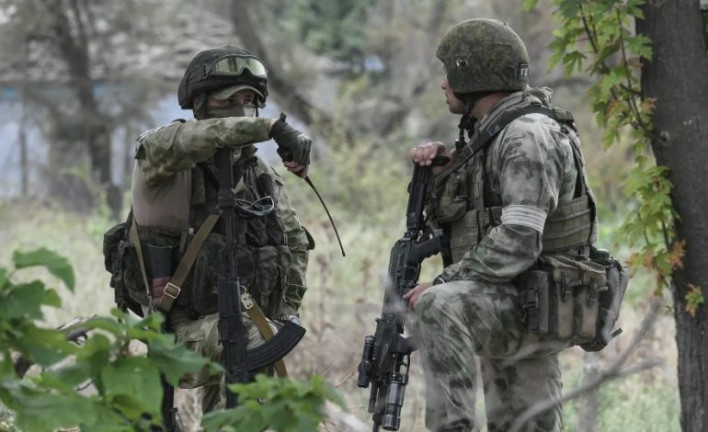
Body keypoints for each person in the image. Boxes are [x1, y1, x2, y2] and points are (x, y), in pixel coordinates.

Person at [404, 19, 601, 432]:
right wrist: (443, 173)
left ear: (471, 74)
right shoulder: (498, 132)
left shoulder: (525, 135)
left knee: (438, 306)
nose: (443, 84)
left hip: (532, 298)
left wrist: (444, 282)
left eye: (449, 72)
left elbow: (520, 239)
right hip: (519, 293)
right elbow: (470, 221)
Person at [125, 45, 313, 413]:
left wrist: (284, 315)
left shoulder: (260, 175)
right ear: (199, 105)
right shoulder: (162, 153)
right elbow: (198, 137)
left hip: (238, 327)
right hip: (177, 336)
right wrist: (270, 128)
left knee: (247, 358)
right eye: (229, 101)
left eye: (249, 101)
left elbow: (294, 244)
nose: (241, 111)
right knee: (251, 337)